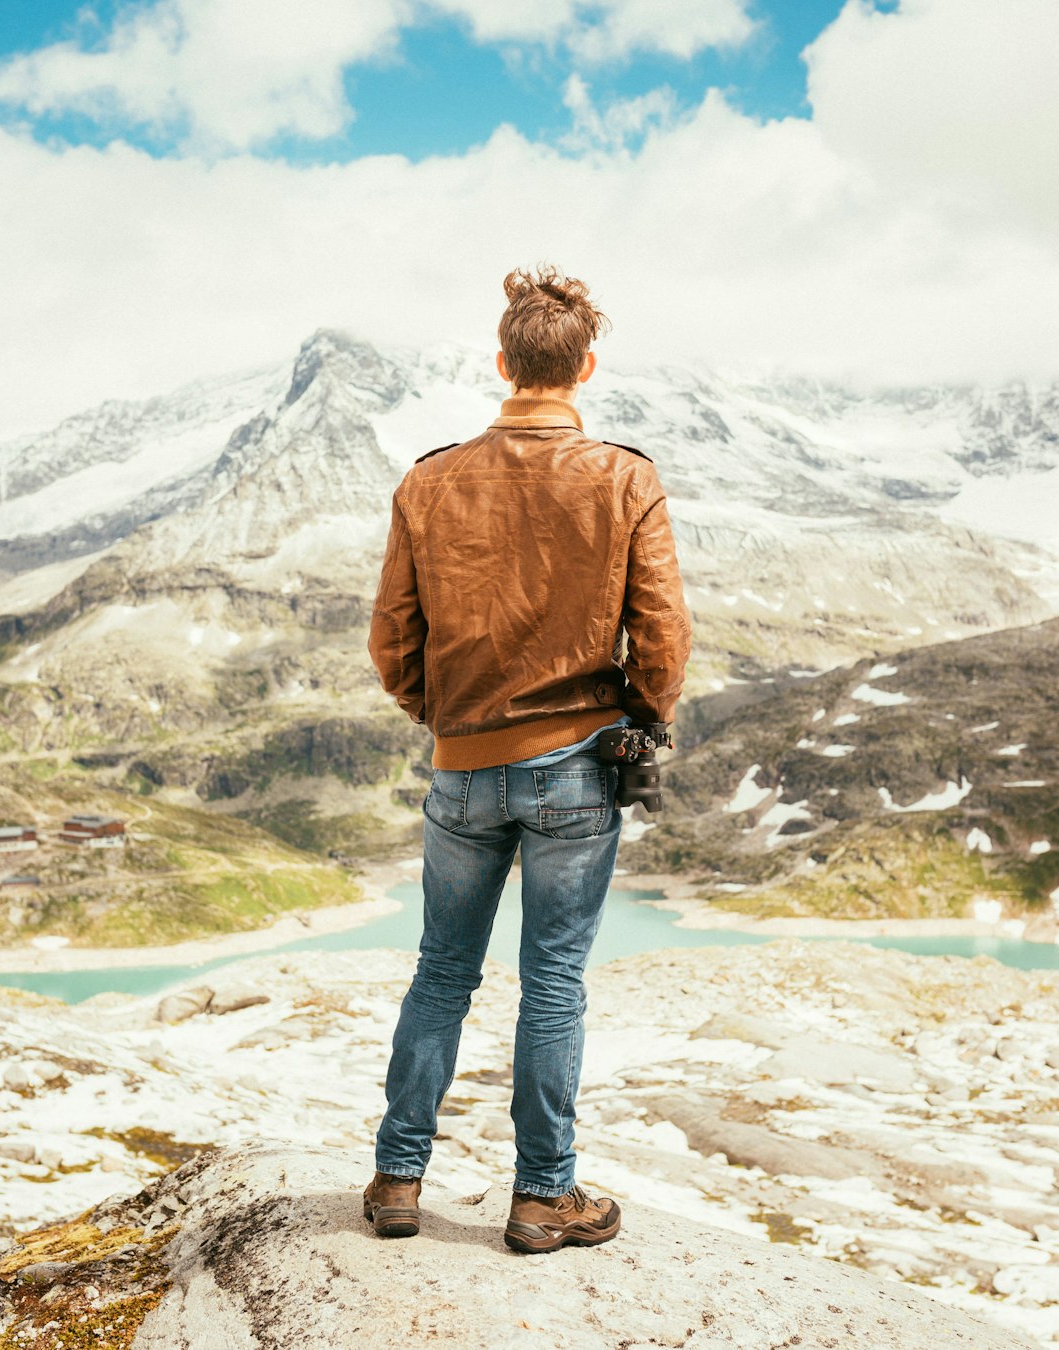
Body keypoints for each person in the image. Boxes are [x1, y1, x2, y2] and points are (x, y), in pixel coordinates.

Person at [363, 265, 691, 1254]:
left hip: (462, 766)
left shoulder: (428, 480)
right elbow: (663, 633)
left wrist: (449, 720)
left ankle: (395, 1180)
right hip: (579, 768)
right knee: (552, 984)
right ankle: (544, 1198)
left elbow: (391, 636)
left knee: (439, 976)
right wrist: (645, 716)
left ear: (501, 362)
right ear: (586, 366)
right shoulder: (626, 477)